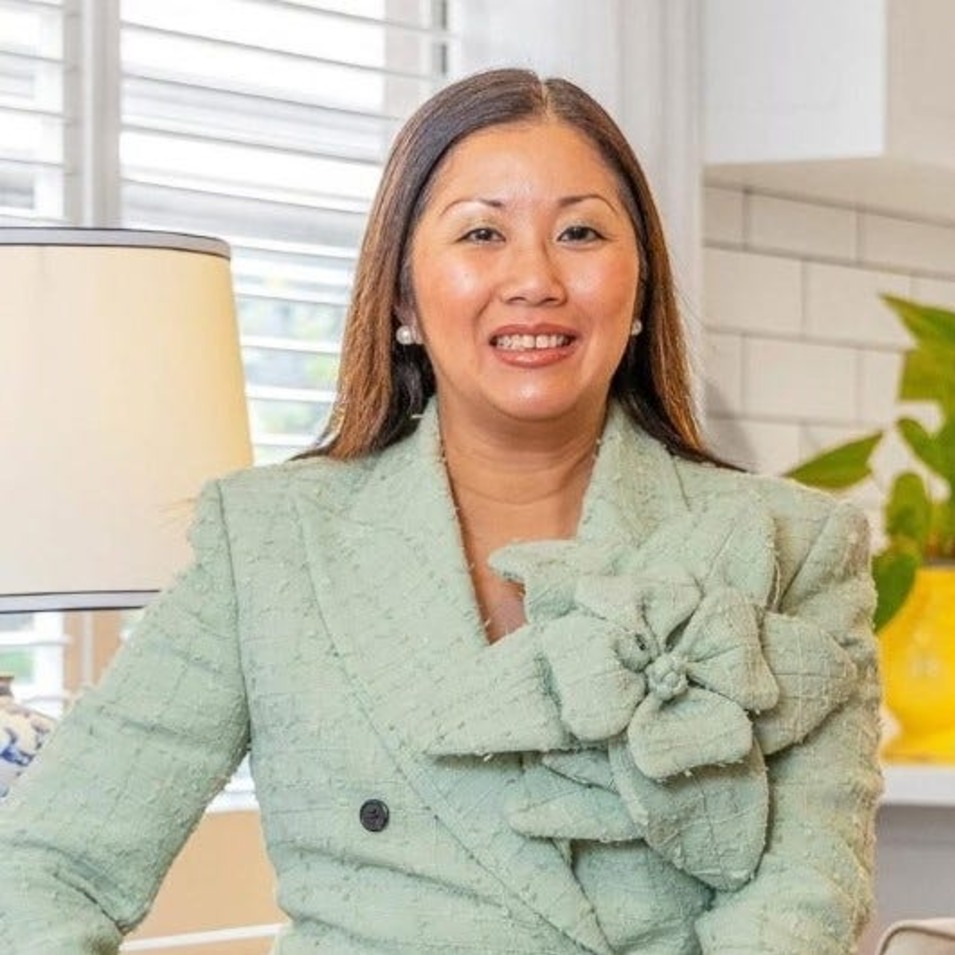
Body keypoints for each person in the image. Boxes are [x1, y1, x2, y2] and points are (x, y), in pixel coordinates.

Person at [0, 68, 881, 954]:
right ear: (402, 296)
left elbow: (802, 900)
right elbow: (46, 864)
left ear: (641, 289)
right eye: (481, 233)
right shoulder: (268, 540)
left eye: (579, 232)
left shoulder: (794, 545)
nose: (533, 278)